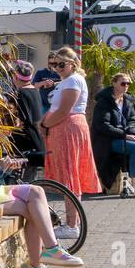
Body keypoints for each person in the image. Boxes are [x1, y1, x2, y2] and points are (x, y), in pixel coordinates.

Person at [41, 47, 101, 209]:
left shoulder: (73, 80)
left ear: (72, 64)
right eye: (54, 64)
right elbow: (56, 108)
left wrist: (45, 124)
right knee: (68, 175)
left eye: (61, 64)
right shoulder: (67, 81)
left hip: (68, 128)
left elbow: (64, 110)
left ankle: (72, 224)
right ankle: (71, 223)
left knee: (70, 175)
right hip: (62, 128)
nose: (56, 68)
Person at [7, 59, 47, 175]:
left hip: (23, 141)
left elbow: (17, 120)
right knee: (31, 178)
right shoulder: (35, 90)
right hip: (36, 139)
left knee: (19, 180)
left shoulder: (19, 94)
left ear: (15, 76)